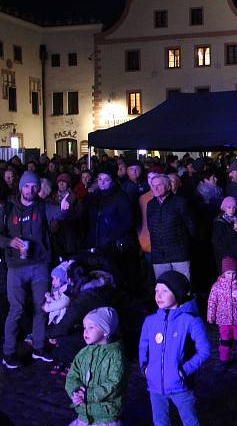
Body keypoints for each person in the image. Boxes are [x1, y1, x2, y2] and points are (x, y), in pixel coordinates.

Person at [1, 171, 70, 368]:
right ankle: (8, 352)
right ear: (20, 187)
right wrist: (9, 242)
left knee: (41, 307)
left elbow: (57, 213)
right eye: (26, 186)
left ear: (38, 189)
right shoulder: (8, 209)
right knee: (17, 309)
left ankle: (39, 347)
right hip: (16, 267)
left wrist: (64, 209)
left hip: (39, 265)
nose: (30, 190)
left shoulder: (42, 207)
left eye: (33, 187)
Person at [139, 271, 210, 426]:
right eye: (157, 291)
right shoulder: (150, 321)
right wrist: (145, 367)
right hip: (155, 386)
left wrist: (184, 370)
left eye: (165, 291)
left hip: (180, 386)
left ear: (177, 293)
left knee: (190, 421)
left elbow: (204, 350)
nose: (159, 295)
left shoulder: (191, 320)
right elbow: (143, 346)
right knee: (160, 422)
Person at [64, 307, 125, 426]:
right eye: (85, 327)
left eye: (91, 327)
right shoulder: (83, 353)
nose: (85, 331)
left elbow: (114, 384)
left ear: (105, 330)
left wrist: (88, 395)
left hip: (106, 416)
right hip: (83, 414)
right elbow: (72, 376)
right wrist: (75, 392)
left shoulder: (116, 356)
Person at [147, 174, 197, 281]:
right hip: (159, 255)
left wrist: (186, 247)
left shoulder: (180, 202)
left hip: (179, 254)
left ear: (168, 186)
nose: (155, 188)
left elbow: (191, 226)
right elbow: (151, 229)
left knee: (184, 287)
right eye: (153, 185)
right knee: (163, 286)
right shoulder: (150, 205)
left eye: (159, 185)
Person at [211, 196, 237, 275]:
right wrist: (234, 231)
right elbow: (219, 242)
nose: (232, 210)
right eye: (229, 207)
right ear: (224, 208)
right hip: (226, 258)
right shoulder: (219, 222)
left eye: (234, 207)